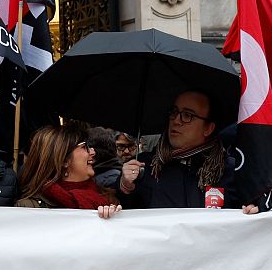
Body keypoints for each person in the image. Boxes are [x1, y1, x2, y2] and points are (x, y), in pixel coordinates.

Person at [117, 91, 247, 209]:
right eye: (174, 112)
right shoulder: (143, 166)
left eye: (187, 115)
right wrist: (124, 187)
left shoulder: (231, 172)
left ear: (208, 128)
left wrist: (251, 211)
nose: (176, 120)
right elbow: (120, 217)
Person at [14, 122, 120, 218]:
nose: (93, 152)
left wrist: (112, 219)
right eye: (84, 147)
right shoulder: (29, 208)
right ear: (64, 160)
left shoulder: (108, 199)